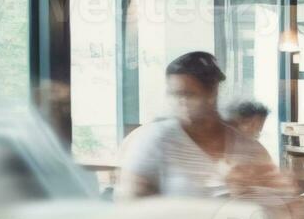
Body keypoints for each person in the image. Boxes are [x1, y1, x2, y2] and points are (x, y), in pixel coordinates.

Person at [117, 52, 278, 200]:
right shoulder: (156, 140)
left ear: (212, 93)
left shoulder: (250, 150)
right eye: (174, 94)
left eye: (188, 94)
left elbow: (274, 207)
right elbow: (129, 201)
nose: (181, 103)